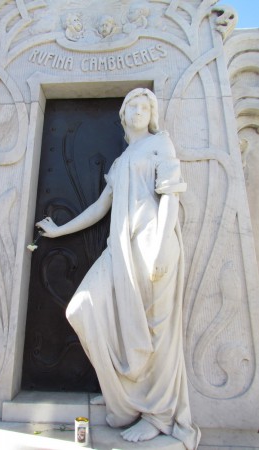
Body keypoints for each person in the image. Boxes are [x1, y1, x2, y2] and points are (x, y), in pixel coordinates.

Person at [36, 88, 200, 449]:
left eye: (146, 105)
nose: (140, 110)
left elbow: (170, 196)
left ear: (152, 115)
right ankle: (122, 398)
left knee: (156, 334)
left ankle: (156, 416)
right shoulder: (123, 159)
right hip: (121, 250)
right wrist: (59, 230)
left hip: (153, 244)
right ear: (123, 116)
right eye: (133, 106)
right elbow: (100, 207)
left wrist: (159, 248)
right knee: (81, 310)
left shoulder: (161, 145)